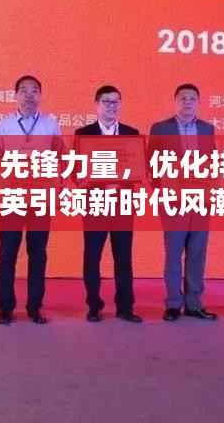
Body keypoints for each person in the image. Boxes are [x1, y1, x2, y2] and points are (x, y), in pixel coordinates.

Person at [0, 75, 61, 325]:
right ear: (15, 96)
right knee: (7, 254)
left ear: (40, 95)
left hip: (41, 199)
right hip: (11, 199)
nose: (29, 95)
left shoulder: (51, 125)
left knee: (38, 254)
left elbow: (60, 159)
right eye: (23, 90)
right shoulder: (3, 125)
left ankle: (35, 307)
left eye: (34, 91)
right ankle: (5, 307)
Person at [150, 83, 217, 322]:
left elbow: (212, 164)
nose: (187, 102)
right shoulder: (160, 128)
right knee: (174, 253)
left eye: (192, 98)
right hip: (173, 201)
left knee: (197, 253)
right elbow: (152, 163)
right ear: (175, 101)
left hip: (200, 201)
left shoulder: (208, 129)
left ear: (198, 102)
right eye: (183, 98)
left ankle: (194, 303)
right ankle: (173, 304)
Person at [75, 85, 142, 323]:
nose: (111, 106)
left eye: (116, 102)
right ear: (97, 104)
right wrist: (93, 182)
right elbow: (76, 169)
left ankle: (125, 307)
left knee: (123, 257)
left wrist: (122, 181)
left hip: (122, 202)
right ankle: (94, 305)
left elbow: (137, 169)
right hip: (95, 203)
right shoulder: (83, 133)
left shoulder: (131, 133)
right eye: (106, 101)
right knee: (92, 256)